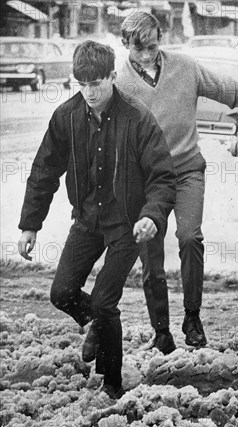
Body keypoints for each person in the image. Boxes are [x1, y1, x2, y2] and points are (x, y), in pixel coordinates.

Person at [116, 11, 238, 353]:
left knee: (190, 237)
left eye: (152, 46)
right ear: (126, 45)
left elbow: (228, 89)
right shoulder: (120, 85)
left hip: (187, 170)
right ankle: (160, 329)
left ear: (160, 39)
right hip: (147, 182)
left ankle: (192, 316)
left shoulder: (185, 68)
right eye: (139, 49)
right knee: (151, 254)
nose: (147, 55)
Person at [18, 41, 177, 399]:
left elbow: (163, 177)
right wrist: (31, 224)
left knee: (105, 302)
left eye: (97, 84)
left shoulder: (137, 118)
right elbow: (44, 170)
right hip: (87, 220)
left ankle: (113, 383)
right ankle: (94, 325)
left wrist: (151, 215)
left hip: (127, 226)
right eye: (82, 84)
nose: (89, 93)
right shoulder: (66, 116)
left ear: (112, 77)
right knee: (61, 293)